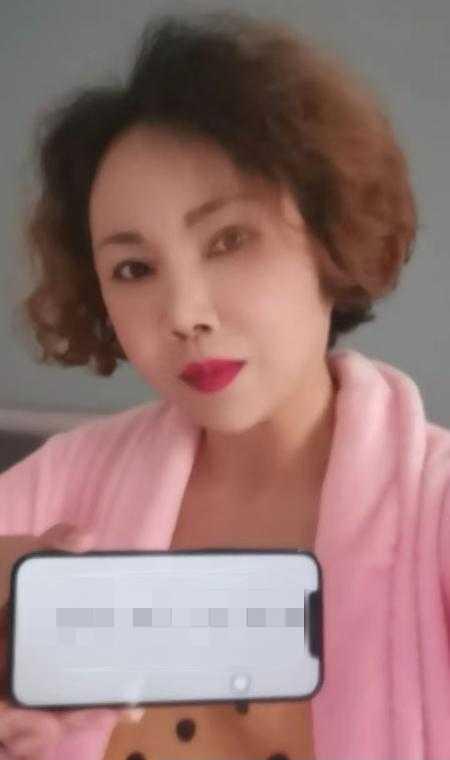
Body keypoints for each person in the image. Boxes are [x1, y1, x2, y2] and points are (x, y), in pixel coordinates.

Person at [1, 8, 450, 760]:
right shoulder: (52, 499)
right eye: (134, 268)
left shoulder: (434, 514)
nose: (185, 314)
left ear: (328, 237)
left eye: (229, 239)